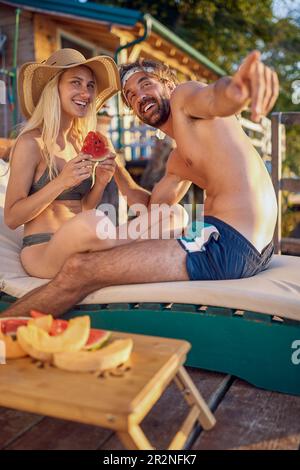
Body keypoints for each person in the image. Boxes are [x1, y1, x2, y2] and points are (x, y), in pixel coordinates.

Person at [1, 50, 279, 318]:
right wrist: (111, 183)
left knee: (83, 265)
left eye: (145, 84)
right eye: (131, 96)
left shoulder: (185, 96)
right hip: (240, 241)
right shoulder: (177, 161)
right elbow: (153, 207)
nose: (139, 96)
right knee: (173, 215)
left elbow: (216, 97)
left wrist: (238, 89)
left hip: (229, 241)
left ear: (169, 85)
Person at [4, 49, 186, 279]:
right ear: (54, 88)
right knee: (93, 222)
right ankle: (134, 254)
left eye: (90, 86)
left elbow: (85, 208)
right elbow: (11, 217)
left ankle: (125, 256)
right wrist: (60, 183)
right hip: (43, 252)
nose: (86, 92)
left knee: (172, 214)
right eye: (76, 83)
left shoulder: (80, 141)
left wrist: (100, 183)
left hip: (88, 242)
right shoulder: (31, 142)